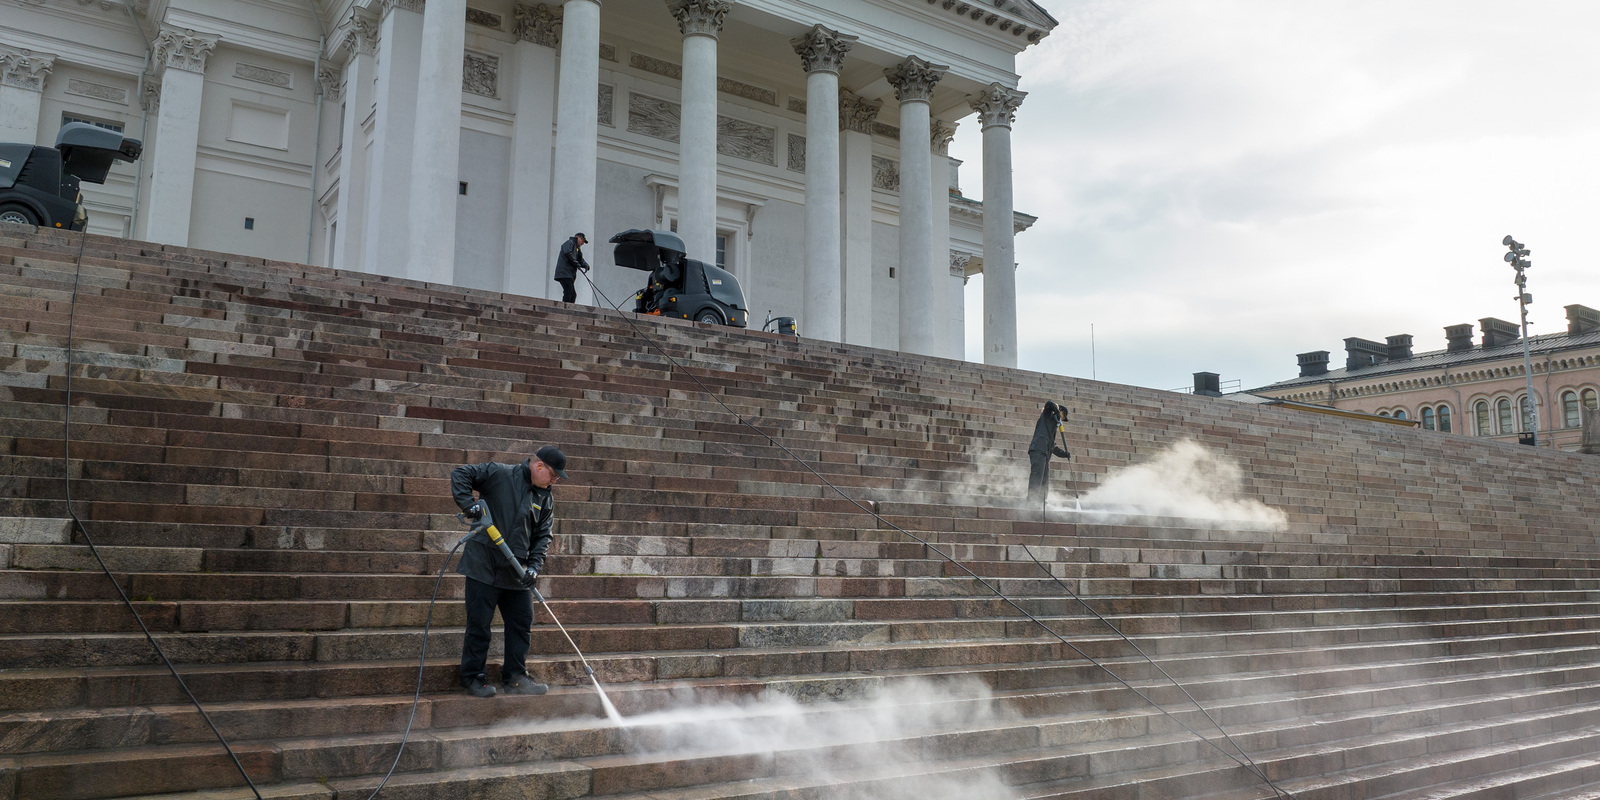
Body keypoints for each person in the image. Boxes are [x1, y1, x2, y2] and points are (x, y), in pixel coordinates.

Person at [451, 445, 569, 698]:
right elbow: (461, 473)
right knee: (479, 625)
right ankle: (473, 677)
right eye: (553, 475)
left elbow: (543, 537)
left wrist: (534, 568)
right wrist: (469, 505)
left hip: (517, 572)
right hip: (483, 565)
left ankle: (515, 677)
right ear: (539, 466)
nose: (554, 481)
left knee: (521, 623)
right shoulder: (500, 473)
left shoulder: (545, 498)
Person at [1027, 400, 1071, 506]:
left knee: (1045, 479)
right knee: (1037, 477)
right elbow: (1049, 404)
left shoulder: (1053, 427)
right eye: (1062, 417)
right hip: (1038, 450)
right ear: (1060, 412)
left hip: (1045, 454)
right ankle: (1031, 501)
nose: (1062, 420)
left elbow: (1053, 446)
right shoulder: (1046, 416)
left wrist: (1064, 454)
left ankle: (1042, 501)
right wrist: (1056, 410)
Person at [554, 233, 590, 303]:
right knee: (569, 292)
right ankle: (565, 307)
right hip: (564, 273)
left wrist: (585, 265)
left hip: (569, 274)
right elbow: (568, 253)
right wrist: (577, 264)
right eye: (582, 240)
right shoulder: (569, 243)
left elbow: (580, 259)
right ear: (578, 237)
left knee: (572, 294)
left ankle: (568, 307)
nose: (583, 243)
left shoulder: (577, 248)